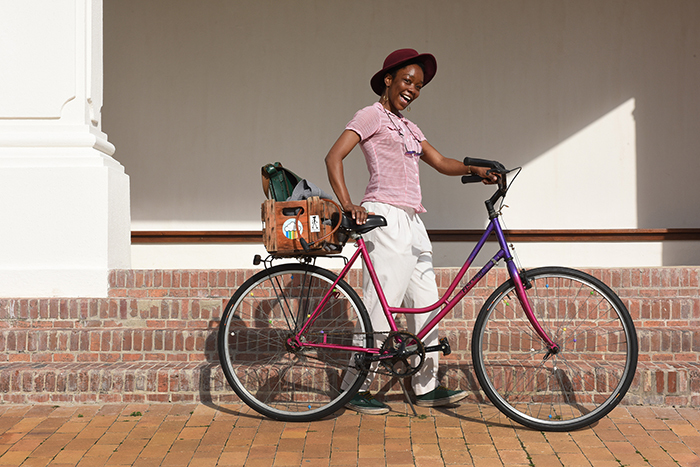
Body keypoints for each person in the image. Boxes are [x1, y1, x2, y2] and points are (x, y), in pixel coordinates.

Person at [325, 48, 498, 414]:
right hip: (383, 215)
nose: (412, 89)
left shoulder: (408, 126)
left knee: (425, 304)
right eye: (407, 81)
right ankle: (355, 386)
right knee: (380, 302)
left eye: (418, 85)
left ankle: (426, 385)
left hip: (413, 221)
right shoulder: (370, 115)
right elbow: (334, 156)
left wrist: (476, 169)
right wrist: (348, 204)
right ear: (388, 80)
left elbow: (440, 162)